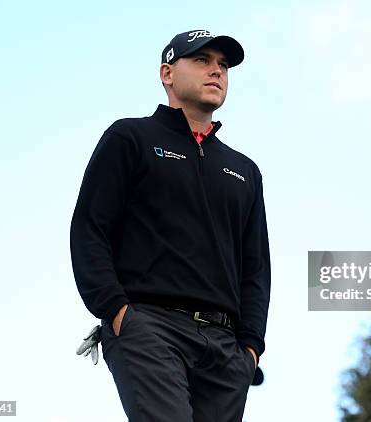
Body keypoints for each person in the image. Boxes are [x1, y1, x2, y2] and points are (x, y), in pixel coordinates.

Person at [70, 29, 271, 421]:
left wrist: (250, 347)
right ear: (167, 73)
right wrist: (117, 312)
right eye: (202, 60)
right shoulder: (130, 138)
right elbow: (90, 230)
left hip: (227, 350)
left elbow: (256, 268)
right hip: (149, 328)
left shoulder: (245, 171)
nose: (216, 71)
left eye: (223, 65)